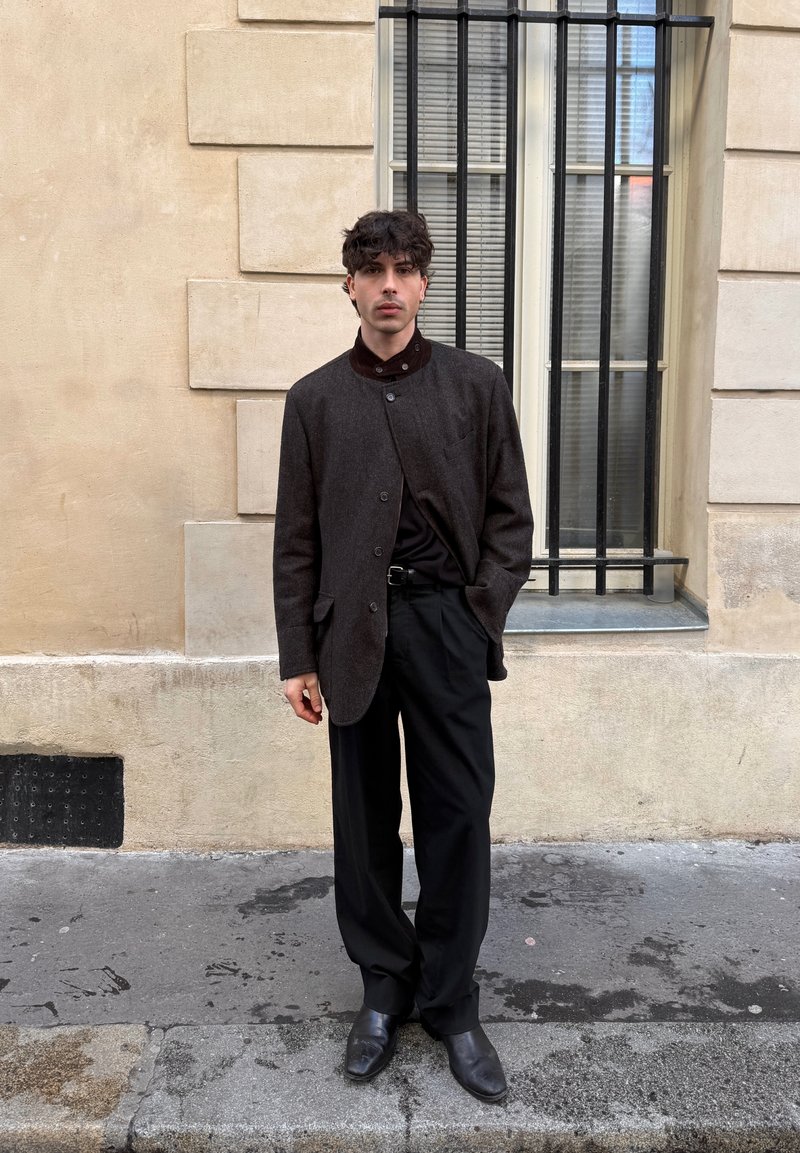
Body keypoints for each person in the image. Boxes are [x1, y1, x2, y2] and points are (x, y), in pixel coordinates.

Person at [273, 210, 533, 1103]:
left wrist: (477, 614)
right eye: (372, 269)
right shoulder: (312, 401)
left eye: (405, 269)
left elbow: (510, 521)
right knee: (364, 818)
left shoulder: (475, 387)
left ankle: (452, 1003)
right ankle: (384, 990)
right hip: (351, 636)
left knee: (458, 815)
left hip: (445, 629)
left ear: (425, 283)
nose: (389, 285)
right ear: (346, 283)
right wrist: (295, 655)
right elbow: (296, 541)